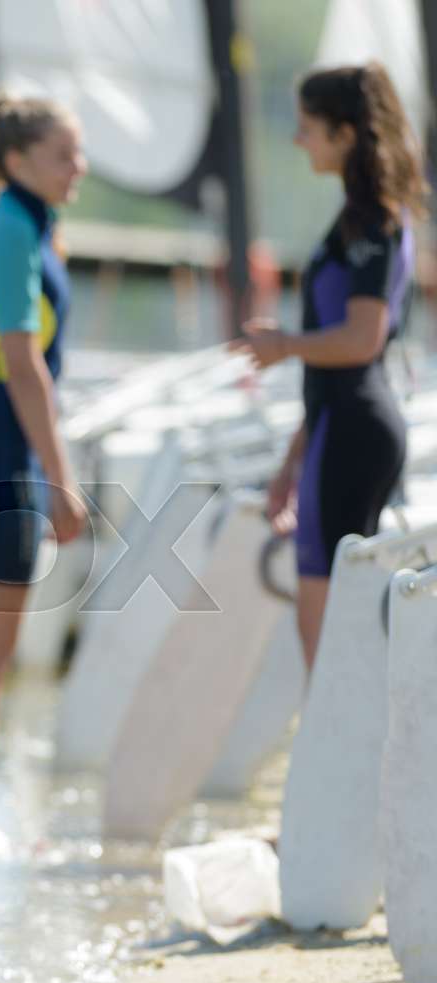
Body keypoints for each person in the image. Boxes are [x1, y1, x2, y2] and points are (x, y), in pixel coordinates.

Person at [235, 62, 420, 670]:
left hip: (355, 433)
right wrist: (295, 456)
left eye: (307, 127)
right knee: (330, 630)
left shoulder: (374, 222)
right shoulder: (360, 219)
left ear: (345, 135)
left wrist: (283, 345)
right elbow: (338, 369)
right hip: (338, 427)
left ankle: (348, 756)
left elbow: (361, 340)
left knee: (329, 640)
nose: (297, 140)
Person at [0, 90, 88, 845]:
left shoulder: (31, 226)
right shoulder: (9, 230)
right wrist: (61, 477)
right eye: (65, 154)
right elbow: (23, 365)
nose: (80, 168)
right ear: (18, 159)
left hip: (7, 458)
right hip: (0, 462)